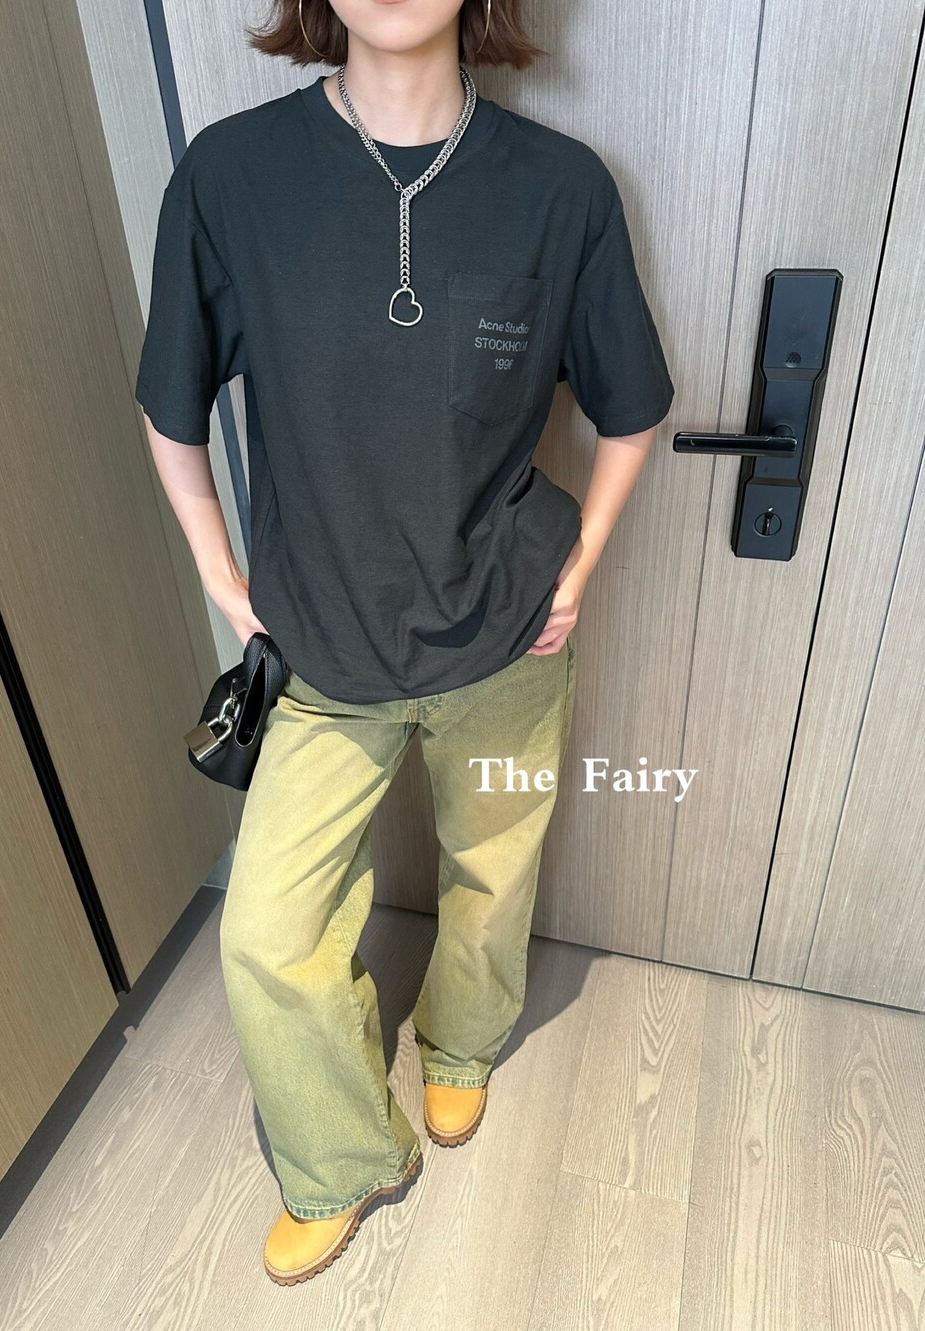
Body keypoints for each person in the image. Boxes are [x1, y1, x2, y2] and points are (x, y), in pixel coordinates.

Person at [135, 0, 674, 1288]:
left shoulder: (561, 190)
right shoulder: (231, 177)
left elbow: (632, 405)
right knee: (268, 933)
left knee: (494, 869)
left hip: (506, 633)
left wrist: (582, 563)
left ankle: (461, 1045)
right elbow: (172, 400)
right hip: (323, 646)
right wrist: (220, 573)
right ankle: (341, 1157)